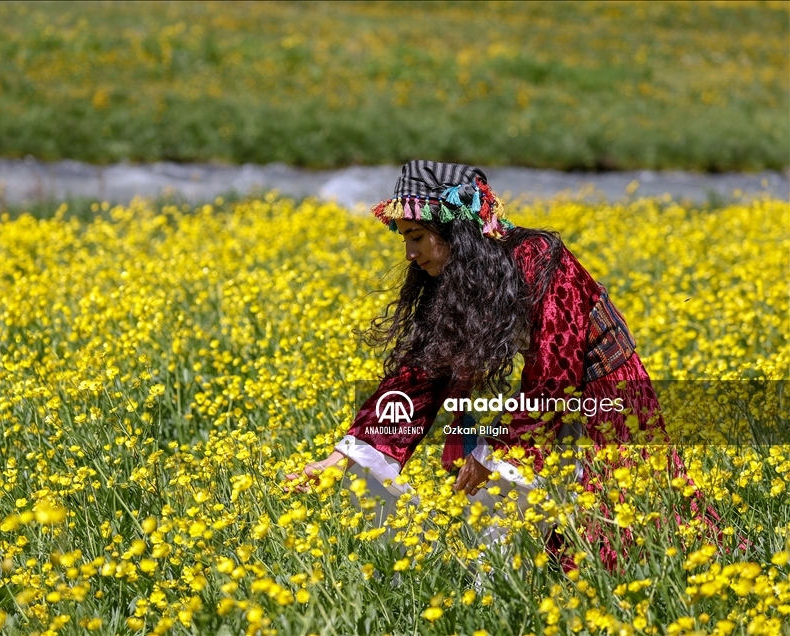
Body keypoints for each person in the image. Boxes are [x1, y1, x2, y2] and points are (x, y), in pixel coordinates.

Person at [287, 160, 715, 567]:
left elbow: (555, 373)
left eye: (416, 236)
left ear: (454, 229)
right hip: (548, 401)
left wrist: (496, 449)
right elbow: (421, 374)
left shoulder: (541, 258)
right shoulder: (456, 276)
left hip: (605, 397)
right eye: (404, 239)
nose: (410, 253)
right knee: (514, 521)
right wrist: (341, 456)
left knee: (625, 532)